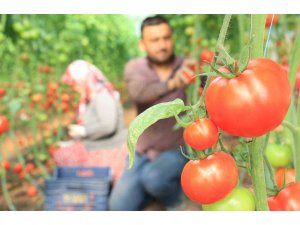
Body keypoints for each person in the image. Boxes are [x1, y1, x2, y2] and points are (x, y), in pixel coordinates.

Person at [109, 15, 197, 211]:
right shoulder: (136, 68)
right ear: (142, 44)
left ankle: (175, 201)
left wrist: (200, 73)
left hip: (177, 149)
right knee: (118, 207)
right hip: (143, 151)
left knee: (154, 178)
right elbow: (139, 93)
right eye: (155, 40)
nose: (162, 45)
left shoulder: (188, 66)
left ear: (172, 38)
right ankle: (155, 190)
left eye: (166, 38)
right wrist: (173, 83)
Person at [53, 59, 128, 183]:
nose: (75, 88)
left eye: (76, 84)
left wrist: (83, 131)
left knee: (65, 156)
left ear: (84, 80)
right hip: (99, 144)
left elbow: (108, 126)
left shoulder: (102, 97)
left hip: (110, 147)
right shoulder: (92, 97)